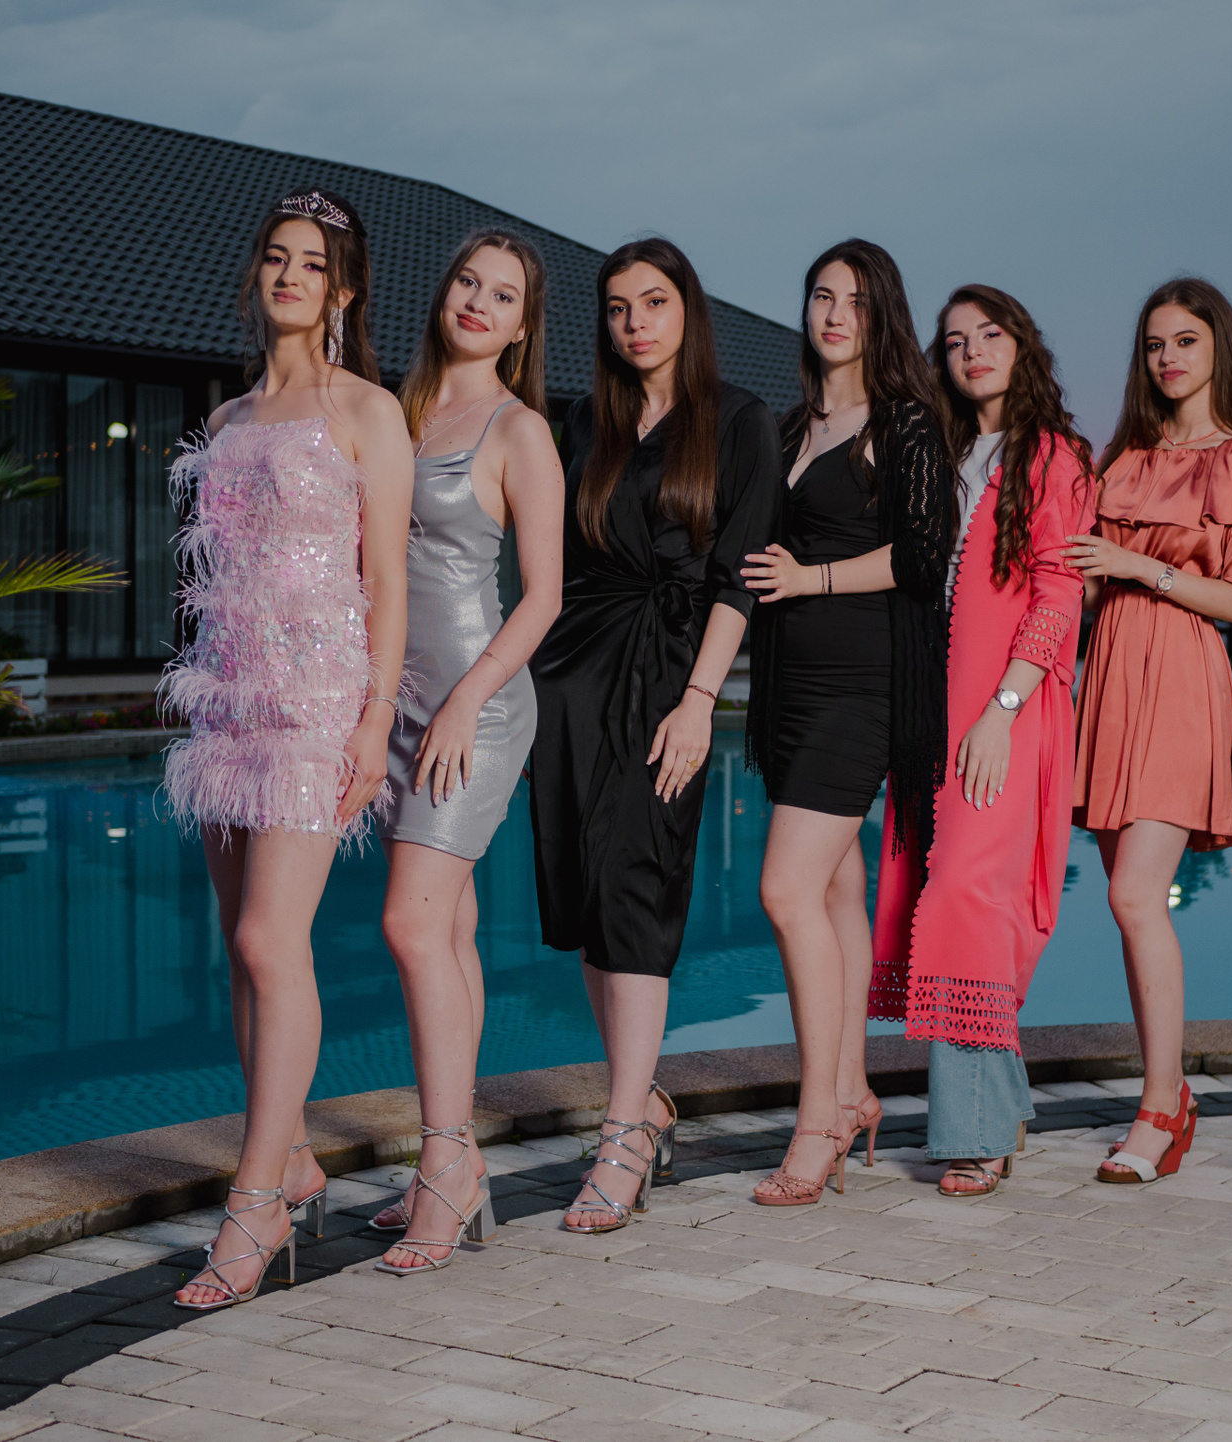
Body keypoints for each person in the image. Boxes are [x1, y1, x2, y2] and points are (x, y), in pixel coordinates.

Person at [160, 189, 415, 1308]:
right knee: (239, 945)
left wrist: (373, 718)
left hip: (318, 700)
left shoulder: (368, 410)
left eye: (312, 262)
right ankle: (297, 1156)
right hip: (229, 697)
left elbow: (387, 579)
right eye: (276, 256)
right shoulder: (225, 420)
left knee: (275, 937)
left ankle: (257, 1200)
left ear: (342, 289)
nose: (290, 276)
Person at [530, 237, 781, 1233]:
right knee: (590, 897)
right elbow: (558, 563)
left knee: (637, 882)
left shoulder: (740, 421)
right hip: (573, 674)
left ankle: (622, 1135)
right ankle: (641, 1106)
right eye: (618, 307)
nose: (636, 322)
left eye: (655, 302)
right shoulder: (586, 421)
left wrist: (699, 699)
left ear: (689, 310)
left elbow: (739, 576)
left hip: (671, 674)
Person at [366, 230, 564, 1274]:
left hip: (474, 708)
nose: (480, 302)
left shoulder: (518, 429)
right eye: (467, 282)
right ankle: (459, 1159)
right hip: (392, 704)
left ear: (523, 326)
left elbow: (544, 597)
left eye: (504, 295)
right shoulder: (393, 413)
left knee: (410, 922)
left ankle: (444, 1162)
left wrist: (463, 702)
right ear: (443, 293)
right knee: (450, 928)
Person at [871, 285, 1095, 1196]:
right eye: (956, 340)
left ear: (1021, 343)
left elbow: (1059, 594)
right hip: (932, 709)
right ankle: (995, 1112)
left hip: (1006, 712)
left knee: (967, 896)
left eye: (989, 333)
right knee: (941, 900)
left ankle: (975, 1130)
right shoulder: (946, 452)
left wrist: (1002, 710)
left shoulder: (1054, 456)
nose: (972, 352)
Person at [1066, 277, 1232, 1183]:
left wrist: (1135, 565)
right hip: (1111, 675)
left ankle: (1162, 1104)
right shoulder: (1122, 457)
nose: (1168, 357)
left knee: (1133, 897)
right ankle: (1166, 1094)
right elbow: (1082, 584)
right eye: (1155, 343)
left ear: (1217, 347)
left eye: (1186, 340)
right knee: (1127, 901)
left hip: (1183, 672)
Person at [741, 240, 951, 1205]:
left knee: (784, 889)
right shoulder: (792, 426)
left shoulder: (904, 423)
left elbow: (921, 556)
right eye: (822, 295)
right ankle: (856, 1088)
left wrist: (811, 578)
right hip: (791, 685)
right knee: (831, 892)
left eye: (855, 302)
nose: (834, 315)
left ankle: (817, 1118)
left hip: (861, 687)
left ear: (881, 317)